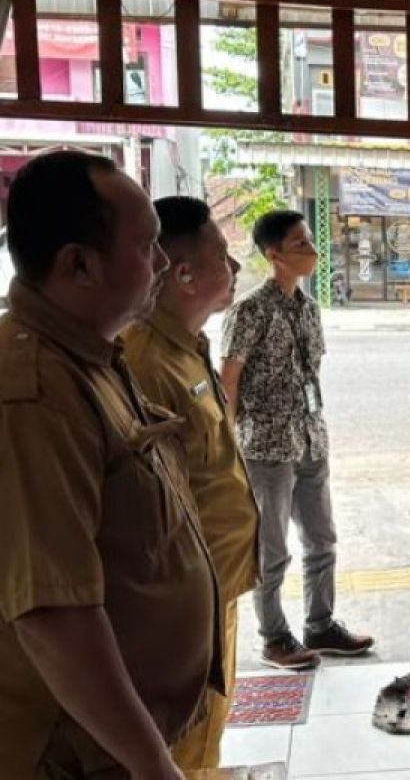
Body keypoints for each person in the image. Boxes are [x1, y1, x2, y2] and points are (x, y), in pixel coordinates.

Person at [0, 151, 218, 778]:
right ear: (79, 263)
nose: (160, 265)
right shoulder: (34, 393)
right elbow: (55, 615)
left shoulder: (94, 358)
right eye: (147, 246)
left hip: (117, 746)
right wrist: (153, 766)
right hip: (75, 754)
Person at [123, 197, 259, 772]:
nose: (234, 269)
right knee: (183, 738)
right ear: (183, 274)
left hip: (213, 588)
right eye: (223, 256)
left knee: (209, 729)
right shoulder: (146, 360)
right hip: (178, 605)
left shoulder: (189, 347)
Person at [221, 210, 373, 669]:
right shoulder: (249, 311)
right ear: (273, 255)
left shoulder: (308, 307)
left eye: (309, 241)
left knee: (322, 538)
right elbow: (229, 381)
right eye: (301, 245)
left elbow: (311, 370)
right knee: (272, 549)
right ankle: (274, 637)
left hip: (310, 437)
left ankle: (320, 626)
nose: (313, 251)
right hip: (266, 445)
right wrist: (227, 445)